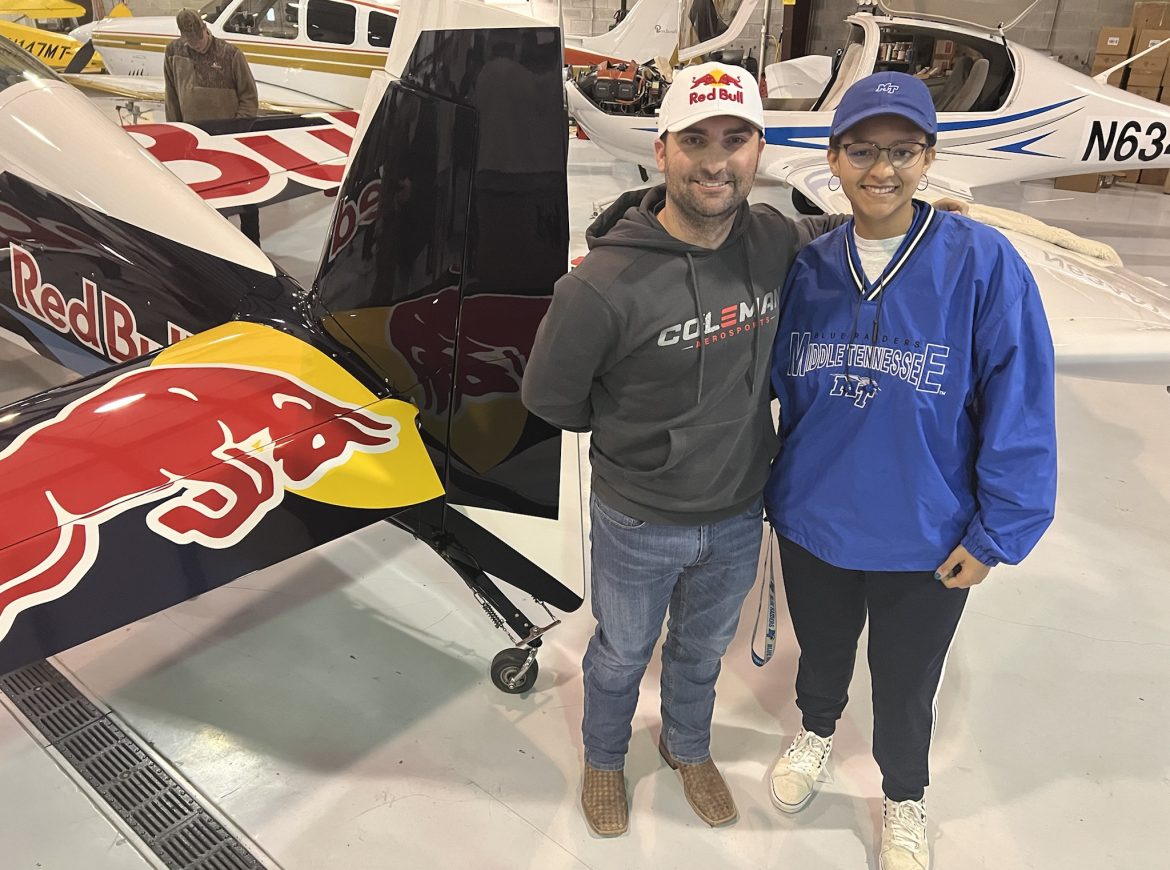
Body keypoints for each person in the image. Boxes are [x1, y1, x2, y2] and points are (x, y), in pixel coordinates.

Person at [522, 60, 851, 838]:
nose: (716, 160)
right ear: (661, 149)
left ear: (759, 150)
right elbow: (551, 398)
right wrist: (646, 440)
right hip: (639, 518)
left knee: (702, 652)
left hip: (737, 512)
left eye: (735, 139)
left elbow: (839, 233)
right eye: (695, 139)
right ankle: (606, 760)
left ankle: (687, 745)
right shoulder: (600, 285)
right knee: (620, 654)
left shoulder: (772, 238)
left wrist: (921, 216)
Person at [762, 72, 1056, 870]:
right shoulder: (809, 267)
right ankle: (815, 732)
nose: (882, 168)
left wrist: (998, 533)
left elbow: (1021, 402)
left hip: (927, 529)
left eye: (902, 150)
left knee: (905, 678)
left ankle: (903, 795)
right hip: (815, 516)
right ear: (833, 158)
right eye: (862, 150)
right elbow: (772, 383)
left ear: (929, 158)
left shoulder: (982, 263)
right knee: (821, 652)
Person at [164, 9, 261, 245]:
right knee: (209, 202)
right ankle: (218, 247)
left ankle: (253, 246)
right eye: (191, 42)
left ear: (206, 30)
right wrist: (176, 134)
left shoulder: (231, 54)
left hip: (230, 141)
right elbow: (172, 95)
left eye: (199, 41)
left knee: (247, 199)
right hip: (195, 142)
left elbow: (249, 97)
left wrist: (237, 132)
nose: (196, 46)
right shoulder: (173, 52)